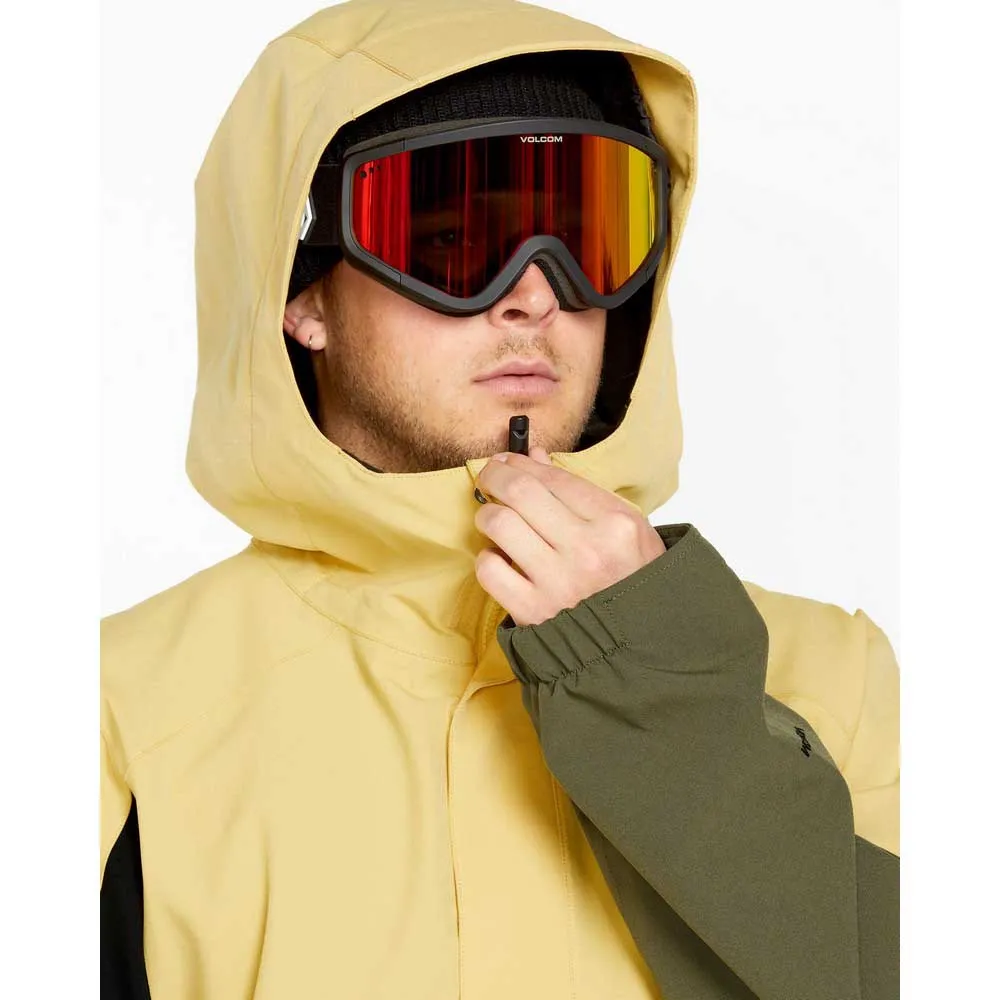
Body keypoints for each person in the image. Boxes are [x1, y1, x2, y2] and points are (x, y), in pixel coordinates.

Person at [100, 1, 900, 998]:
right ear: (301, 293)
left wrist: (668, 703)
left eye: (586, 238)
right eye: (446, 239)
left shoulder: (836, 680)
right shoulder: (120, 712)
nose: (535, 295)